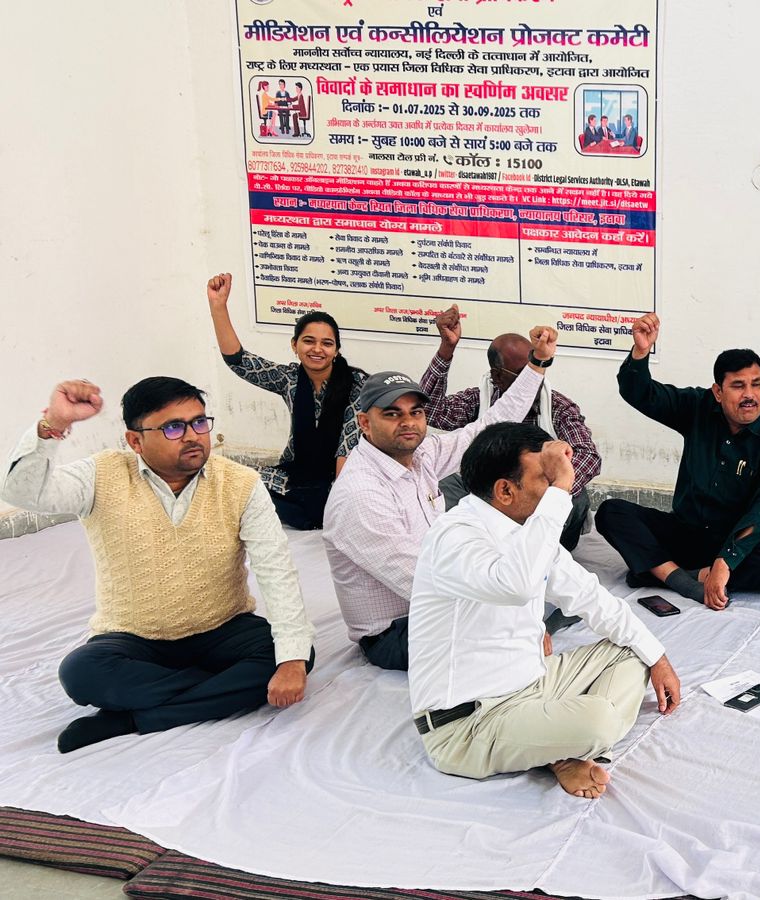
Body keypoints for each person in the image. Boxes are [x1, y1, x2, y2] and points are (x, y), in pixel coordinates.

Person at [1, 377, 316, 753]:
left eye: (199, 422)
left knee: (296, 654)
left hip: (223, 628)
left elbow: (276, 570)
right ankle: (217, 688)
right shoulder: (102, 475)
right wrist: (54, 423)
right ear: (135, 441)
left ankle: (133, 718)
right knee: (81, 673)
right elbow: (24, 492)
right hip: (135, 637)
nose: (193, 436)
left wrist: (292, 659)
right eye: (173, 427)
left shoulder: (240, 483)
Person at [409, 423, 682, 798]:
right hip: (469, 724)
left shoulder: (524, 530)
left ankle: (557, 745)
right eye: (546, 477)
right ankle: (565, 748)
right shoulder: (454, 536)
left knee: (634, 651)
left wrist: (659, 658)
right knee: (600, 721)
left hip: (534, 686)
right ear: (505, 491)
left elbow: (590, 596)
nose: (557, 485)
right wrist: (561, 488)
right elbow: (516, 584)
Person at [322, 326, 554, 670]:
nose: (408, 422)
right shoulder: (360, 494)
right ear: (365, 423)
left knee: (545, 597)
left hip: (436, 601)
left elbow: (488, 426)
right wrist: (514, 621)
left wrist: (537, 365)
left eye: (415, 412)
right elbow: (424, 582)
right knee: (520, 638)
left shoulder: (420, 455)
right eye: (392, 414)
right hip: (398, 631)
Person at [595, 313, 760, 609]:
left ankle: (663, 573)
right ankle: (685, 579)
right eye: (738, 386)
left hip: (737, 541)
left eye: (757, 384)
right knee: (611, 512)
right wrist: (640, 352)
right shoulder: (698, 406)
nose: (750, 395)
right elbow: (641, 394)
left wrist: (725, 561)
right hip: (687, 533)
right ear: (718, 392)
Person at [419, 304, 600, 550]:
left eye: (536, 367)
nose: (534, 377)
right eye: (523, 373)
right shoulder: (479, 399)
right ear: (497, 376)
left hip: (537, 492)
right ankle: (459, 550)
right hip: (487, 491)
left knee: (575, 499)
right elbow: (432, 411)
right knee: (439, 491)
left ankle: (538, 554)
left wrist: (544, 491)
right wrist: (446, 349)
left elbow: (588, 456)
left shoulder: (556, 406)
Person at [206, 272, 367, 530]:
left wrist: (339, 503)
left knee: (329, 504)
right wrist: (218, 307)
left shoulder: (357, 384)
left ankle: (313, 509)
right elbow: (240, 362)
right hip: (295, 474)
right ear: (294, 345)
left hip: (342, 476)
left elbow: (346, 449)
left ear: (336, 350)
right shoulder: (289, 379)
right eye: (308, 341)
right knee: (240, 480)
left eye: (327, 343)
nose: (317, 349)